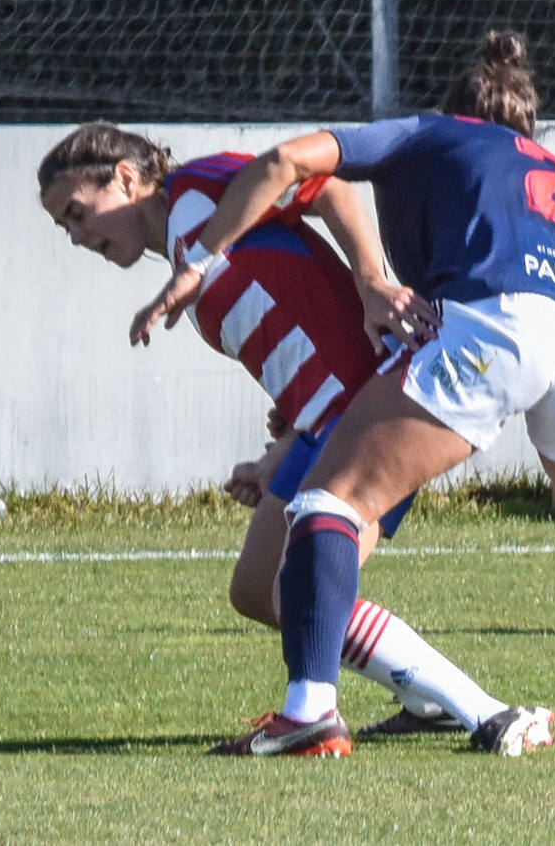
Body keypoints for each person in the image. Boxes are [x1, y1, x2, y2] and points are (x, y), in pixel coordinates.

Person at [132, 30, 555, 757]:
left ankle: (309, 710)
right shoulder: (554, 166)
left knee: (329, 503)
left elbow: (289, 161)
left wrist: (199, 260)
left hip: (507, 317)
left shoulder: (429, 134)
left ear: (456, 111)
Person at [37, 121, 528, 753]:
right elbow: (301, 343)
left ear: (126, 178)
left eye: (78, 212)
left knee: (289, 590)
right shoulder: (191, 251)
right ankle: (422, 699)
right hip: (326, 419)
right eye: (64, 227)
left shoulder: (199, 190)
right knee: (256, 589)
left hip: (376, 406)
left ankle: (487, 713)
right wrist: (280, 452)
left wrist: (372, 281)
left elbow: (330, 190)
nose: (77, 236)